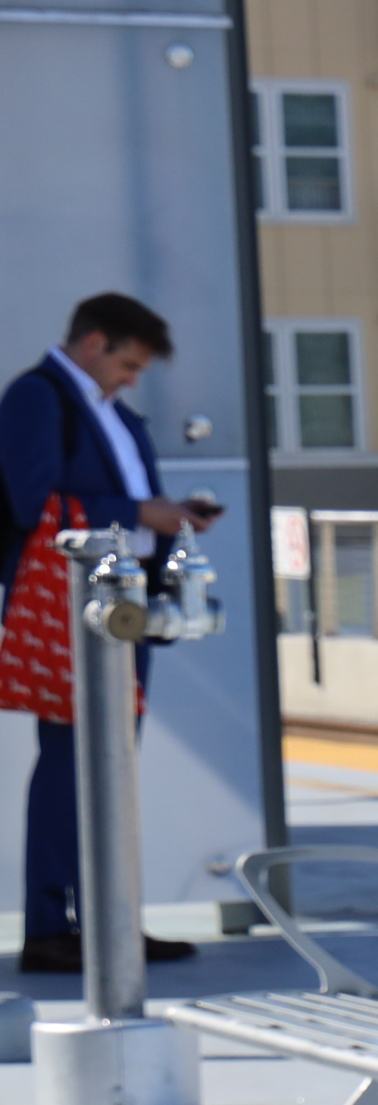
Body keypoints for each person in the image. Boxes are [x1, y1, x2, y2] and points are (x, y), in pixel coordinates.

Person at [2, 292, 225, 975]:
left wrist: (165, 517)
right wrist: (142, 511)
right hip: (73, 605)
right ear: (94, 343)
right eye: (127, 364)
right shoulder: (38, 398)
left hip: (118, 603)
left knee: (109, 768)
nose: (132, 379)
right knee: (74, 764)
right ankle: (52, 923)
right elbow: (29, 499)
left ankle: (109, 919)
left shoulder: (113, 413)